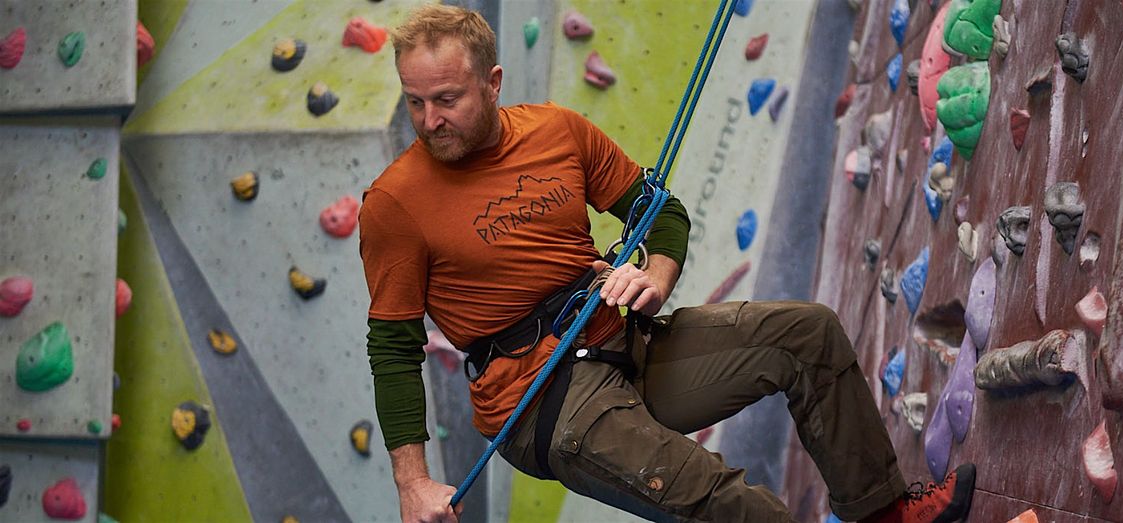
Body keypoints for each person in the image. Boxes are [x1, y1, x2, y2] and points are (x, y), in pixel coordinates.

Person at [358, 4, 976, 523]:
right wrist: (413, 484)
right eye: (416, 102)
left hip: (624, 342)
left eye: (447, 99)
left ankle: (884, 514)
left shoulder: (556, 132)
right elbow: (393, 350)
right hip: (543, 400)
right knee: (735, 506)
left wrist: (655, 278)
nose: (430, 121)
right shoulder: (396, 203)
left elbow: (661, 213)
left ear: (493, 83)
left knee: (807, 335)